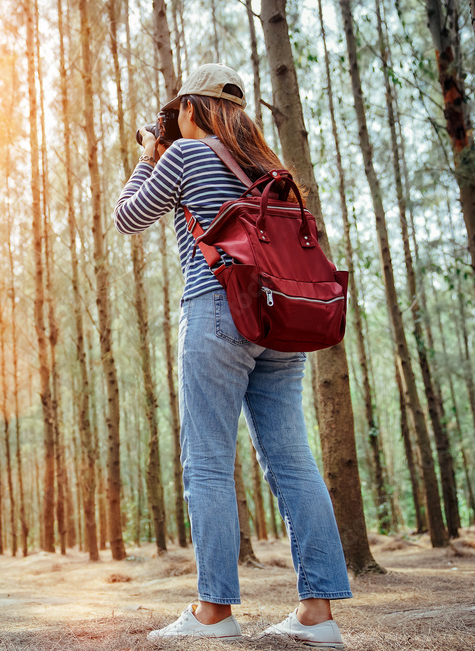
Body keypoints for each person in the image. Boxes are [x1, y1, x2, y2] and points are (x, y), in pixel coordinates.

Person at [114, 63, 352, 648]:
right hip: (278, 320)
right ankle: (318, 615)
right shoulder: (269, 167)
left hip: (217, 314)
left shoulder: (187, 154)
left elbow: (127, 217)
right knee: (294, 463)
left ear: (191, 109)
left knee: (209, 464)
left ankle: (214, 613)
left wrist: (149, 155)